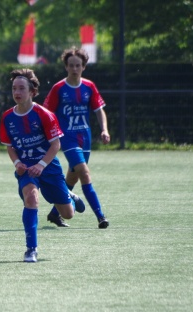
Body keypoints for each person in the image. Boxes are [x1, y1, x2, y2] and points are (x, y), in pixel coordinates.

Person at [0, 68, 85, 263]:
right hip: (27, 169)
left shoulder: (44, 114)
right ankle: (31, 249)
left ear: (32, 92)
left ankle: (70, 196)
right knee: (31, 199)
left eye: (21, 88)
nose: (17, 92)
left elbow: (56, 144)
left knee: (68, 214)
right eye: (14, 88)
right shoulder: (7, 117)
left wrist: (42, 165)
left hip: (49, 167)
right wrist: (17, 162)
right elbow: (10, 147)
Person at [43, 46, 110, 229]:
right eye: (71, 65)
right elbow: (46, 113)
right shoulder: (59, 88)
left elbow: (99, 111)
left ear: (84, 67)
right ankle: (100, 217)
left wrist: (104, 129)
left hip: (85, 138)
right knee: (84, 172)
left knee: (72, 178)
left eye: (78, 65)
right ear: (66, 67)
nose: (74, 69)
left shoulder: (89, 86)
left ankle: (54, 214)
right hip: (67, 137)